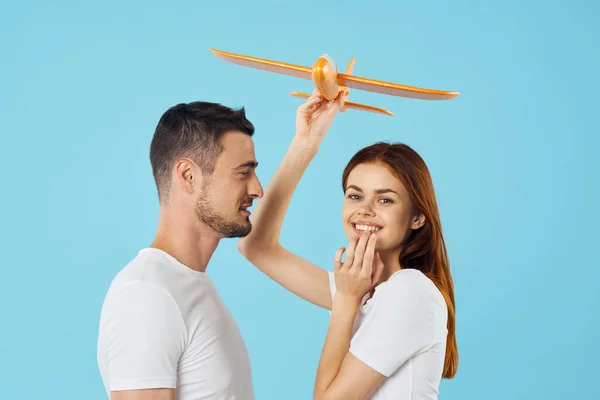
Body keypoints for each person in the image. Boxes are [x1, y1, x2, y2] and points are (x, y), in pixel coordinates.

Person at [238, 90, 458, 400]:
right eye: (355, 195)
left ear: (417, 218)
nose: (365, 210)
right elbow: (255, 247)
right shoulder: (362, 291)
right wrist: (306, 142)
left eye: (385, 199)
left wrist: (345, 299)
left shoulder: (409, 290)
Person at [97, 101, 264, 400]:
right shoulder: (148, 295)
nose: (257, 189)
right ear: (188, 175)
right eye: (243, 173)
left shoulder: (185, 286)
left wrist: (308, 139)